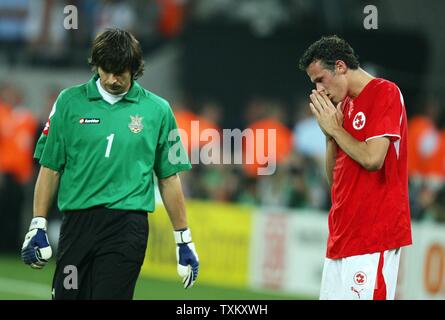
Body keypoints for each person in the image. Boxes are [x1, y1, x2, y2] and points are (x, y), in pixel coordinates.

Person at [21, 28, 199, 300]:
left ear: (135, 69)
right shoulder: (69, 102)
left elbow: (169, 178)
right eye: (106, 70)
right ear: (96, 65)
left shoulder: (159, 110)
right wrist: (38, 223)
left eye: (121, 73)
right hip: (77, 225)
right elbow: (51, 166)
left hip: (127, 227)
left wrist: (183, 238)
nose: (112, 79)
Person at [298, 35, 412, 300]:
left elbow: (373, 159)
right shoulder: (345, 106)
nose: (318, 90)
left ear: (339, 66)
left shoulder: (385, 92)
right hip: (341, 235)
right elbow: (334, 180)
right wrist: (329, 135)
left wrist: (336, 130)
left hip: (374, 236)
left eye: (319, 79)